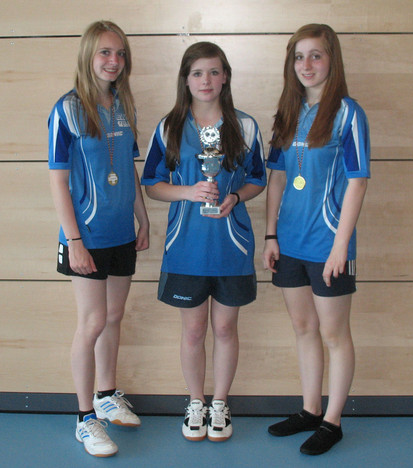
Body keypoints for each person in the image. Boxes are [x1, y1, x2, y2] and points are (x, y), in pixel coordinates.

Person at [141, 41, 266, 442]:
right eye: (197, 73)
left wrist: (236, 197)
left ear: (225, 76)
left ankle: (220, 403)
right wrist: (188, 192)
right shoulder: (169, 127)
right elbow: (152, 184)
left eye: (213, 71)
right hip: (186, 248)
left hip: (232, 247)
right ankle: (196, 401)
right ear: (186, 79)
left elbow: (258, 179)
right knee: (194, 331)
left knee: (225, 329)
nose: (206, 80)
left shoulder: (245, 126)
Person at [263, 24, 370, 455]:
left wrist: (341, 246)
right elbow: (276, 178)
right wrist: (270, 234)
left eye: (316, 55)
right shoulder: (288, 112)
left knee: (334, 334)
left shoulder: (348, 113)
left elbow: (358, 181)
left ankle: (332, 421)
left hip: (329, 246)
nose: (306, 65)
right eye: (298, 56)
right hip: (289, 244)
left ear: (332, 60)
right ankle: (310, 409)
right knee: (304, 328)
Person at [48, 20, 149, 457]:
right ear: (88, 55)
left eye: (120, 53)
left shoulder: (124, 106)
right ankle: (85, 417)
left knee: (113, 316)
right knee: (91, 323)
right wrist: (74, 240)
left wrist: (143, 220)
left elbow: (129, 169)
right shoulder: (67, 109)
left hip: (121, 232)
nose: (114, 61)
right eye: (105, 52)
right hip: (85, 235)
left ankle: (107, 395)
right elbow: (58, 180)